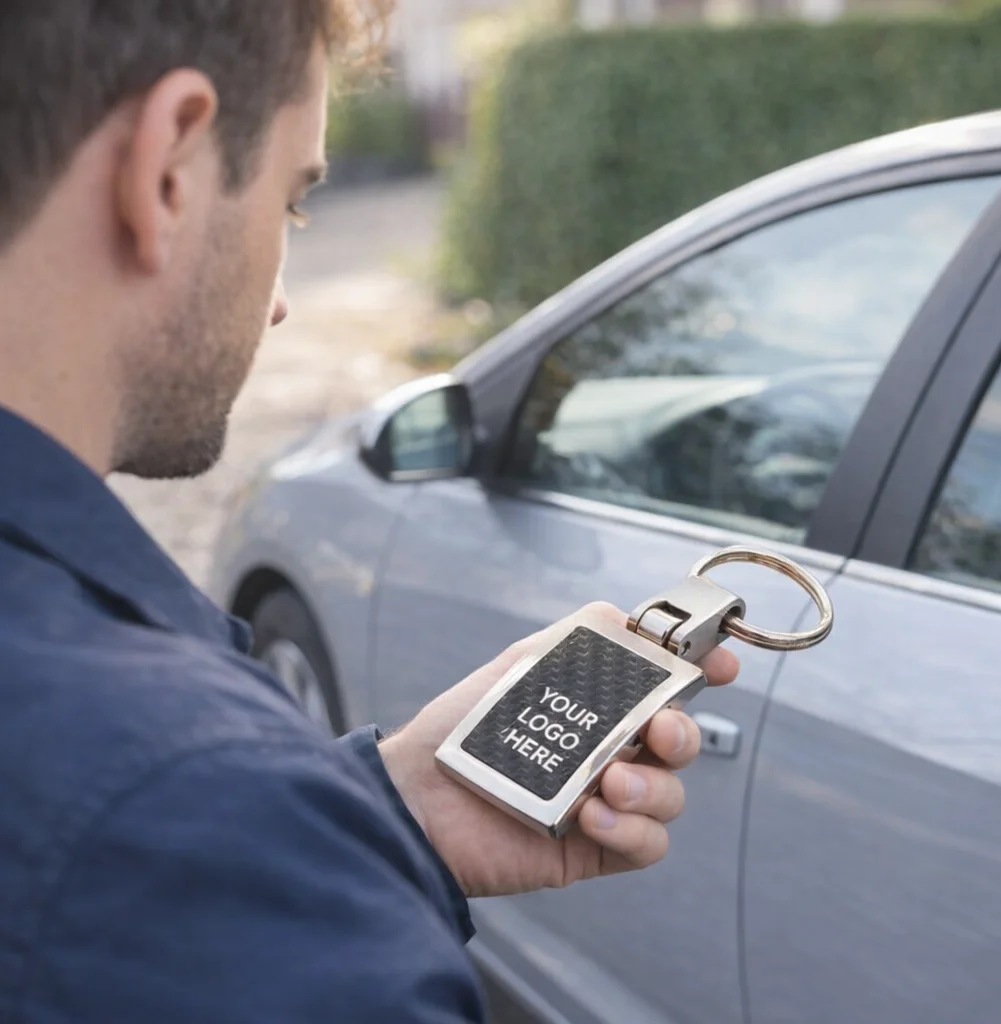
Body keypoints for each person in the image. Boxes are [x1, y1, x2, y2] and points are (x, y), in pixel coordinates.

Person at [0, 3, 740, 1021]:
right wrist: (284, 841)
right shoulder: (181, 820)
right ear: (166, 165)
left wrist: (390, 812)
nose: (277, 302)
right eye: (292, 204)